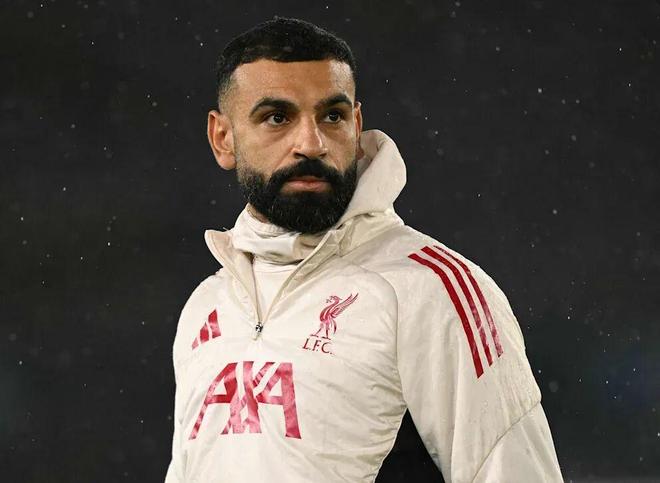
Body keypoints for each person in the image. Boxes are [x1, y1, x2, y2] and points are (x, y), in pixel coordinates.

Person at [165, 16, 564, 483]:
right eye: (277, 117)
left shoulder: (432, 291)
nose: (311, 143)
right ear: (223, 138)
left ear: (356, 125)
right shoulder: (208, 306)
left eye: (331, 116)